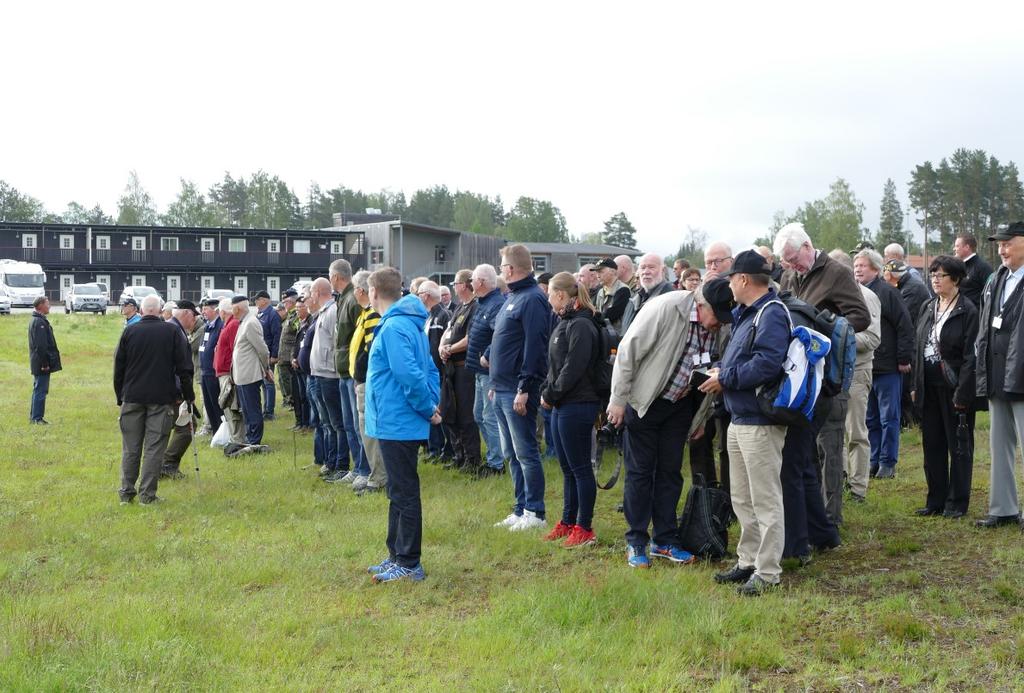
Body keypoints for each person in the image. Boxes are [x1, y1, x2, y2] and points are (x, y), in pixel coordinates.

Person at [606, 269, 711, 568]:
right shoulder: (666, 308)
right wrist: (618, 399)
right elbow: (628, 351)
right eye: (715, 317)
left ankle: (664, 540)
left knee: (670, 473)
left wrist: (700, 418)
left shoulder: (719, 325)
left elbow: (711, 374)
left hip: (679, 406)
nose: (718, 325)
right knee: (640, 473)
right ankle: (636, 541)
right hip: (645, 402)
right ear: (701, 306)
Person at [699, 250, 789, 596]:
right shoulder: (747, 314)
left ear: (743, 280)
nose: (729, 286)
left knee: (765, 498)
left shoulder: (771, 313)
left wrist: (727, 377)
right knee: (742, 497)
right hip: (740, 416)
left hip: (760, 420)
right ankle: (748, 560)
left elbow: (768, 363)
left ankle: (767, 572)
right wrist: (722, 371)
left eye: (731, 279)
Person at [775, 224, 870, 525]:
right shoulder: (791, 275)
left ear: (807, 246)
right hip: (800, 375)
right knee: (804, 447)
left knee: (830, 447)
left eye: (793, 258)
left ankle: (830, 519)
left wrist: (824, 326)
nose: (791, 266)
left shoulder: (836, 272)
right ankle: (810, 514)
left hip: (828, 375)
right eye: (786, 262)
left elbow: (861, 316)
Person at [364, 267, 441, 584]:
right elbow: (431, 368)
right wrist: (431, 405)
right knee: (397, 491)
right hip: (395, 420)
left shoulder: (396, 327)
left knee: (404, 492)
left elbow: (411, 375)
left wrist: (428, 407)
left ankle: (409, 562)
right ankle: (396, 555)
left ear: (373, 292)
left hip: (398, 421)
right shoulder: (405, 324)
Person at [910, 256, 978, 519]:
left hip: (954, 387)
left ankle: (956, 503)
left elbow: (971, 357)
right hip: (928, 385)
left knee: (958, 446)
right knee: (932, 444)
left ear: (956, 279)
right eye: (933, 275)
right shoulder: (928, 306)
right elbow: (918, 346)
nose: (935, 280)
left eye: (941, 275)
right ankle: (935, 500)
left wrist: (963, 393)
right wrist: (915, 384)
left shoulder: (968, 310)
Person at [490, 244, 552, 531]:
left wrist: (525, 386)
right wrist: (494, 383)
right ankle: (519, 508)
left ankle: (535, 512)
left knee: (526, 452)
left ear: (510, 269)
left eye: (502, 266)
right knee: (510, 453)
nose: (502, 270)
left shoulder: (532, 299)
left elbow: (535, 347)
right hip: (500, 388)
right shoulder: (512, 297)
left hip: (518, 389)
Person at [113, 294, 194, 504]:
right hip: (161, 398)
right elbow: (184, 368)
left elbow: (118, 367)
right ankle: (147, 495)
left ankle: (126, 492)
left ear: (141, 311)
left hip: (132, 396)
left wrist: (120, 396)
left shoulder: (130, 331)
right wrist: (188, 395)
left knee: (131, 447)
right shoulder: (172, 331)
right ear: (159, 311)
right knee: (154, 447)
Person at [541, 272, 602, 548]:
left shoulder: (581, 325)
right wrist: (548, 392)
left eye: (550, 293)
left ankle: (584, 527)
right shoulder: (564, 322)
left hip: (578, 403)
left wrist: (551, 395)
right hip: (562, 403)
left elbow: (573, 369)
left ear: (561, 295)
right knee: (567, 468)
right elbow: (555, 366)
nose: (548, 298)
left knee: (580, 468)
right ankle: (568, 521)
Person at [974, 221, 1024, 529]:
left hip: (1022, 375)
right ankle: (1003, 508)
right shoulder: (997, 278)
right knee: (999, 444)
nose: (1001, 248)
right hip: (998, 373)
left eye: (1008, 242)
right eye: (999, 243)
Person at [854, 249, 914, 479]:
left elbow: (904, 326)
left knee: (889, 416)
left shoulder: (888, 293)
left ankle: (888, 462)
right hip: (866, 366)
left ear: (876, 269)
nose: (858, 269)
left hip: (888, 366)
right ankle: (873, 459)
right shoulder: (855, 293)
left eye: (863, 265)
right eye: (856, 265)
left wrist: (903, 359)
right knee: (870, 417)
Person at [826, 250, 881, 504]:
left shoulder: (867, 297)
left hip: (857, 371)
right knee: (832, 432)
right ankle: (840, 480)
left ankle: (858, 487)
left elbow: (872, 338)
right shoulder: (827, 294)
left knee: (856, 431)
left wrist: (836, 338)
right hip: (830, 374)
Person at [466, 264, 508, 478]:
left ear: (481, 282)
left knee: (489, 416)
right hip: (478, 371)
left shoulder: (496, 304)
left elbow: (501, 335)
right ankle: (494, 456)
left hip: (489, 371)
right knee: (479, 415)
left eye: (472, 279)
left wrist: (488, 354)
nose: (470, 283)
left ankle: (497, 464)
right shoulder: (483, 303)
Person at [438, 269, 481, 474]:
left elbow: (471, 338)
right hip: (451, 368)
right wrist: (441, 346)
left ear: (464, 285)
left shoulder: (475, 307)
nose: (454, 287)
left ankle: (472, 459)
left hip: (465, 368)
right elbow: (448, 330)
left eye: (455, 283)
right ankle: (458, 454)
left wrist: (450, 349)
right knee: (450, 411)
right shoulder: (459, 309)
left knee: (465, 415)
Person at [349, 271, 386, 494]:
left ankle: (378, 476)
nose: (354, 293)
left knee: (369, 432)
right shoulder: (365, 313)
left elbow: (372, 352)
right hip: (361, 380)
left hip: (367, 382)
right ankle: (376, 473)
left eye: (355, 288)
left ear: (361, 291)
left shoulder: (372, 315)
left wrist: (362, 377)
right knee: (364, 430)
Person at [310, 276, 350, 481]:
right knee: (327, 422)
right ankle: (331, 461)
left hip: (329, 374)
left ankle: (341, 464)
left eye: (311, 292)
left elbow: (338, 342)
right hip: (320, 373)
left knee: (337, 423)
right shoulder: (323, 312)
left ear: (318, 292)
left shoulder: (333, 311)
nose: (310, 296)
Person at [332, 258, 367, 485]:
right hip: (344, 368)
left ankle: (364, 468)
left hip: (352, 370)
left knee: (357, 423)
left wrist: (359, 372)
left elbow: (361, 338)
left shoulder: (353, 299)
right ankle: (357, 467)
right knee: (349, 424)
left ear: (335, 277)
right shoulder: (344, 299)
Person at [161, 300, 202, 479]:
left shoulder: (169, 328)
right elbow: (181, 367)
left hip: (166, 389)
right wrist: (184, 394)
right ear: (186, 313)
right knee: (186, 427)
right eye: (193, 316)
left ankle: (163, 464)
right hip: (173, 391)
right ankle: (167, 464)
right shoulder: (176, 331)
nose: (193, 321)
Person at [418, 280, 452, 463]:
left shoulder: (444, 315)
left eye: (419, 294)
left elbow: (444, 343)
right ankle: (433, 449)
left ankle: (443, 449)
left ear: (426, 295)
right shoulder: (427, 316)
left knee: (439, 411)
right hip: (429, 372)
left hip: (438, 372)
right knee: (431, 409)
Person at [232, 297, 272, 447]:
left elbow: (262, 350)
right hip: (242, 375)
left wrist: (266, 368)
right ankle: (250, 437)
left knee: (252, 409)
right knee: (247, 410)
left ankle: (254, 440)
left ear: (238, 309)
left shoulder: (251, 323)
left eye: (233, 309)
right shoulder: (244, 322)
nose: (232, 313)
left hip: (249, 374)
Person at [213, 298, 245, 447]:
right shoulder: (228, 324)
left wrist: (232, 374)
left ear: (222, 311)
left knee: (232, 407)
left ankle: (237, 439)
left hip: (228, 373)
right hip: (223, 372)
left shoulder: (232, 325)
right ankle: (234, 438)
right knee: (227, 406)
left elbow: (235, 351)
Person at [621, 253, 673, 334]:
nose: (646, 272)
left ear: (663, 270)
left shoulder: (670, 298)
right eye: (643, 267)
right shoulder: (635, 298)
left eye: (651, 267)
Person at [28, 296, 61, 424]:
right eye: (47, 304)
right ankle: (37, 418)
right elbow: (40, 346)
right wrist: (45, 363)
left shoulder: (37, 320)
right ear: (41, 305)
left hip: (39, 362)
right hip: (41, 363)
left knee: (38, 388)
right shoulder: (39, 322)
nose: (50, 306)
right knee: (41, 390)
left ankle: (34, 417)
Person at [197, 298, 225, 437]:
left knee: (216, 404)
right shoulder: (207, 326)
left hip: (213, 372)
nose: (203, 312)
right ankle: (215, 432)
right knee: (208, 404)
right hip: (204, 371)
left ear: (215, 310)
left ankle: (221, 432)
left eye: (206, 309)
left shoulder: (220, 325)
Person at [253, 291, 281, 420]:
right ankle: (265, 410)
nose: (256, 303)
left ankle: (269, 411)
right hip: (260, 354)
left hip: (268, 353)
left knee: (268, 382)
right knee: (263, 383)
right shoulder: (260, 314)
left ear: (264, 300)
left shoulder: (272, 314)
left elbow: (276, 336)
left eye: (257, 300)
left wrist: (274, 355)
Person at [883, 260, 930, 329]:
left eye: (886, 277)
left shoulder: (912, 289)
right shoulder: (905, 285)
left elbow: (902, 317)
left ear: (890, 276)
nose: (885, 282)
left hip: (914, 334)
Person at [287, 297, 311, 432]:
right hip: (296, 364)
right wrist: (293, 358)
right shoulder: (300, 323)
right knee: (299, 395)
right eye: (296, 308)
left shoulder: (309, 322)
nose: (297, 310)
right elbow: (295, 344)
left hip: (304, 366)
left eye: (300, 307)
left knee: (305, 396)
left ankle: (307, 423)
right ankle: (300, 422)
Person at [953, 232, 994, 307]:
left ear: (967, 247)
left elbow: (992, 294)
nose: (954, 249)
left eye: (957, 246)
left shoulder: (983, 267)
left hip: (976, 316)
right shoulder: (957, 266)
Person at [592, 258, 630, 333]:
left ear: (613, 271)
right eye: (596, 272)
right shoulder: (600, 291)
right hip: (604, 336)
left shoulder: (623, 290)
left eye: (600, 272)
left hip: (618, 338)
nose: (598, 276)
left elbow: (609, 316)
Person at [277, 289, 300, 410]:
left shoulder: (296, 314)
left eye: (285, 302)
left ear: (291, 302)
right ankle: (288, 399)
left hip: (290, 354)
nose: (284, 304)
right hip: (284, 353)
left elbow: (298, 332)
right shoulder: (289, 315)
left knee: (289, 380)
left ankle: (292, 400)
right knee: (283, 378)